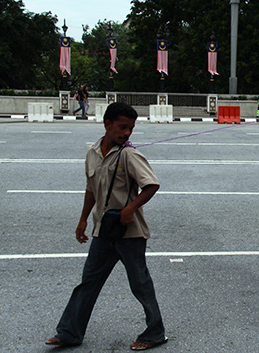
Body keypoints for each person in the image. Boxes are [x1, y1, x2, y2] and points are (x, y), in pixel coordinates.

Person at [46, 102, 167, 351]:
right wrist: (82, 220)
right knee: (88, 283)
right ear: (107, 124)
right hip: (103, 231)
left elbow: (152, 184)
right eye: (122, 127)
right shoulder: (93, 153)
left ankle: (155, 332)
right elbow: (91, 189)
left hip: (130, 232)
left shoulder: (129, 154)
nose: (127, 133)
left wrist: (129, 210)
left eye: (131, 129)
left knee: (140, 284)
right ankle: (69, 332)